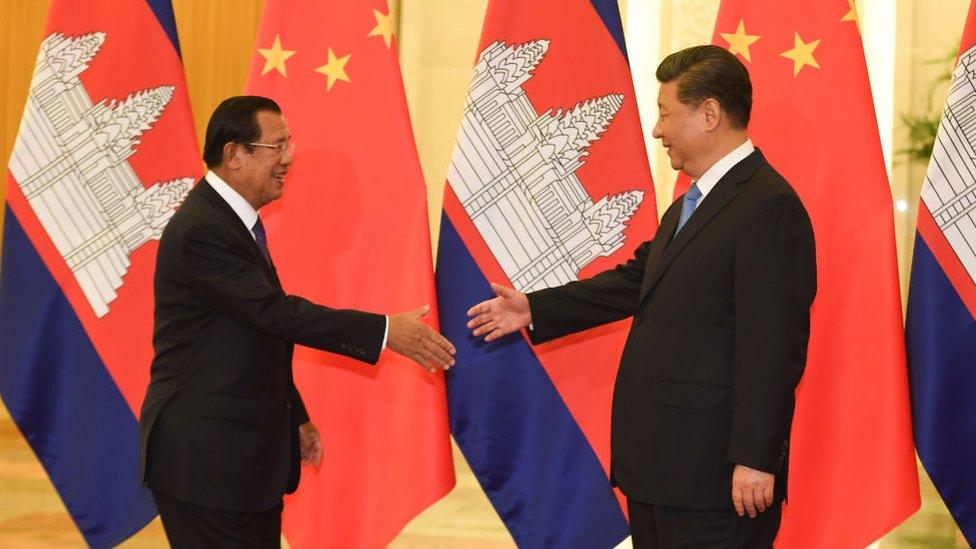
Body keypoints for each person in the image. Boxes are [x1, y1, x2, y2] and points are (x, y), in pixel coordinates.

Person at [466, 45, 816, 548]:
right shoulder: (691, 203)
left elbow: (774, 348)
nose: (657, 129)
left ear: (710, 114)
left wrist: (756, 458)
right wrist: (534, 308)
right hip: (662, 471)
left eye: (666, 113)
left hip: (714, 480)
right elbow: (636, 281)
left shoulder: (769, 207)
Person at [139, 95, 455, 548]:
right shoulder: (203, 228)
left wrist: (295, 417)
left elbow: (254, 333)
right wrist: (385, 332)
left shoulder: (232, 223)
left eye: (290, 145)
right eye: (277, 147)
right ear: (234, 155)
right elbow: (275, 313)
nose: (289, 159)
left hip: (238, 455)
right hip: (205, 459)